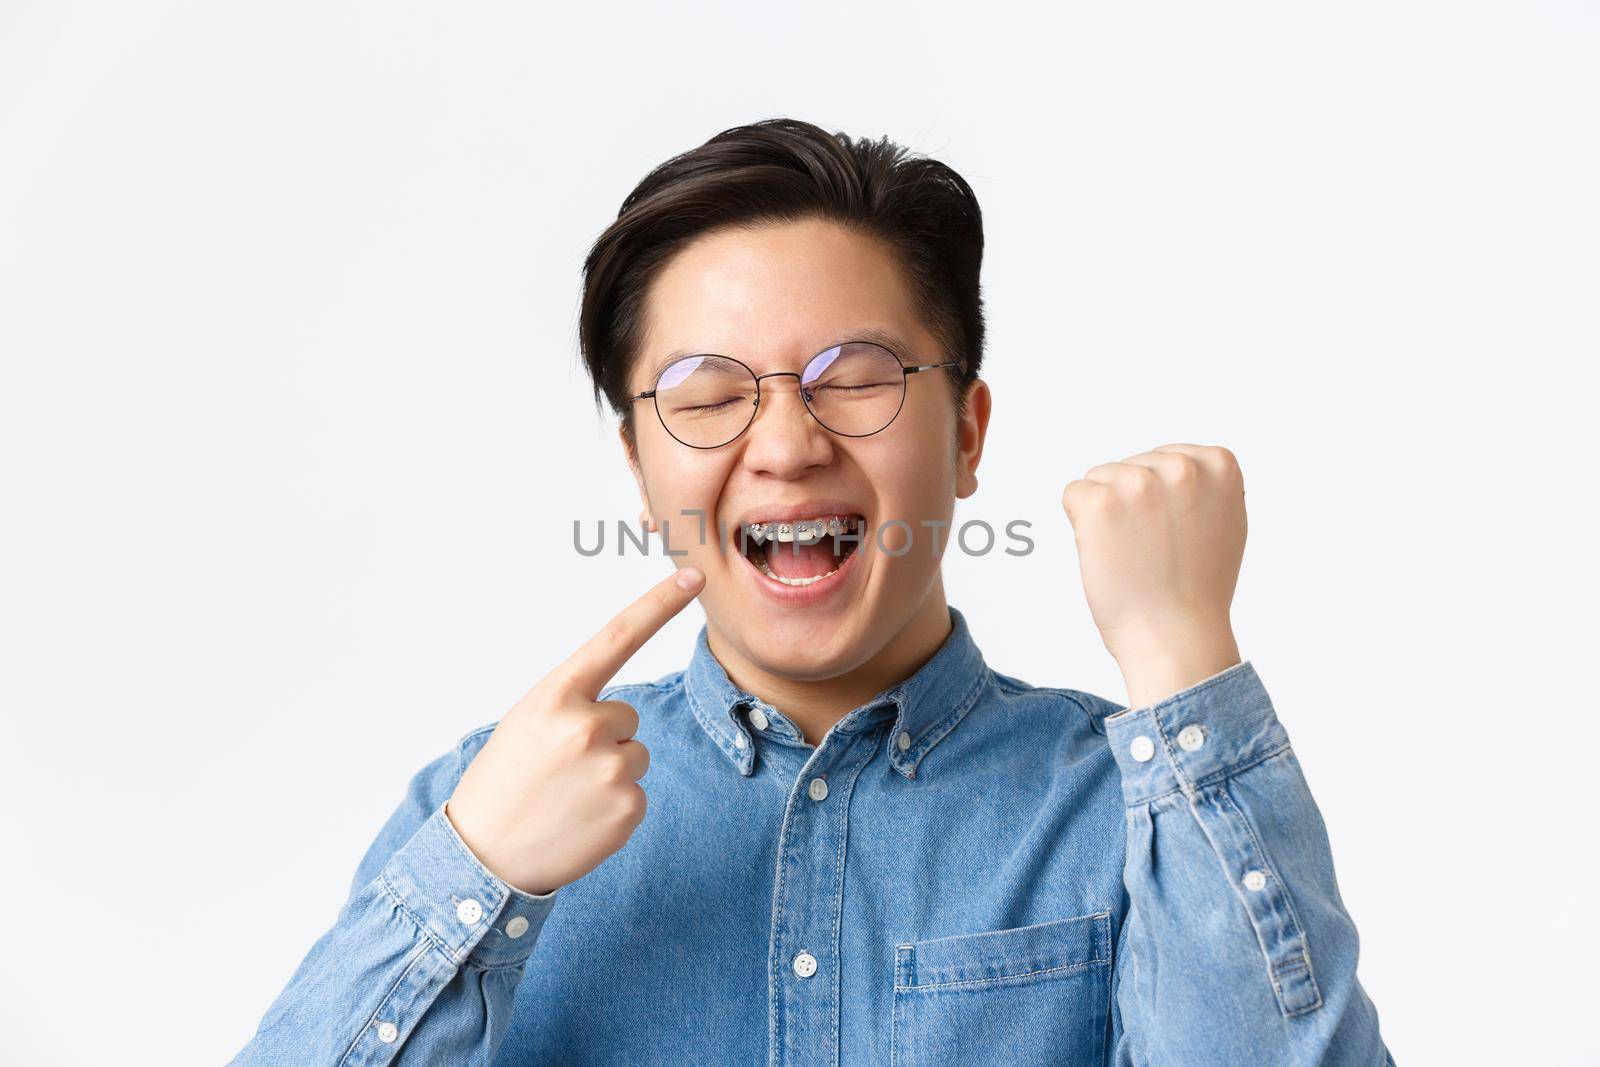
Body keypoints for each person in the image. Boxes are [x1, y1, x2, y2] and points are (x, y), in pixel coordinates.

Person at [230, 118, 1394, 1065]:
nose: (785, 444)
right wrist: (476, 870)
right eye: (704, 390)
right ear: (638, 466)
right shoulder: (486, 801)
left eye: (857, 377)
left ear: (968, 433)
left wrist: (1182, 655)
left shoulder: (1126, 807)